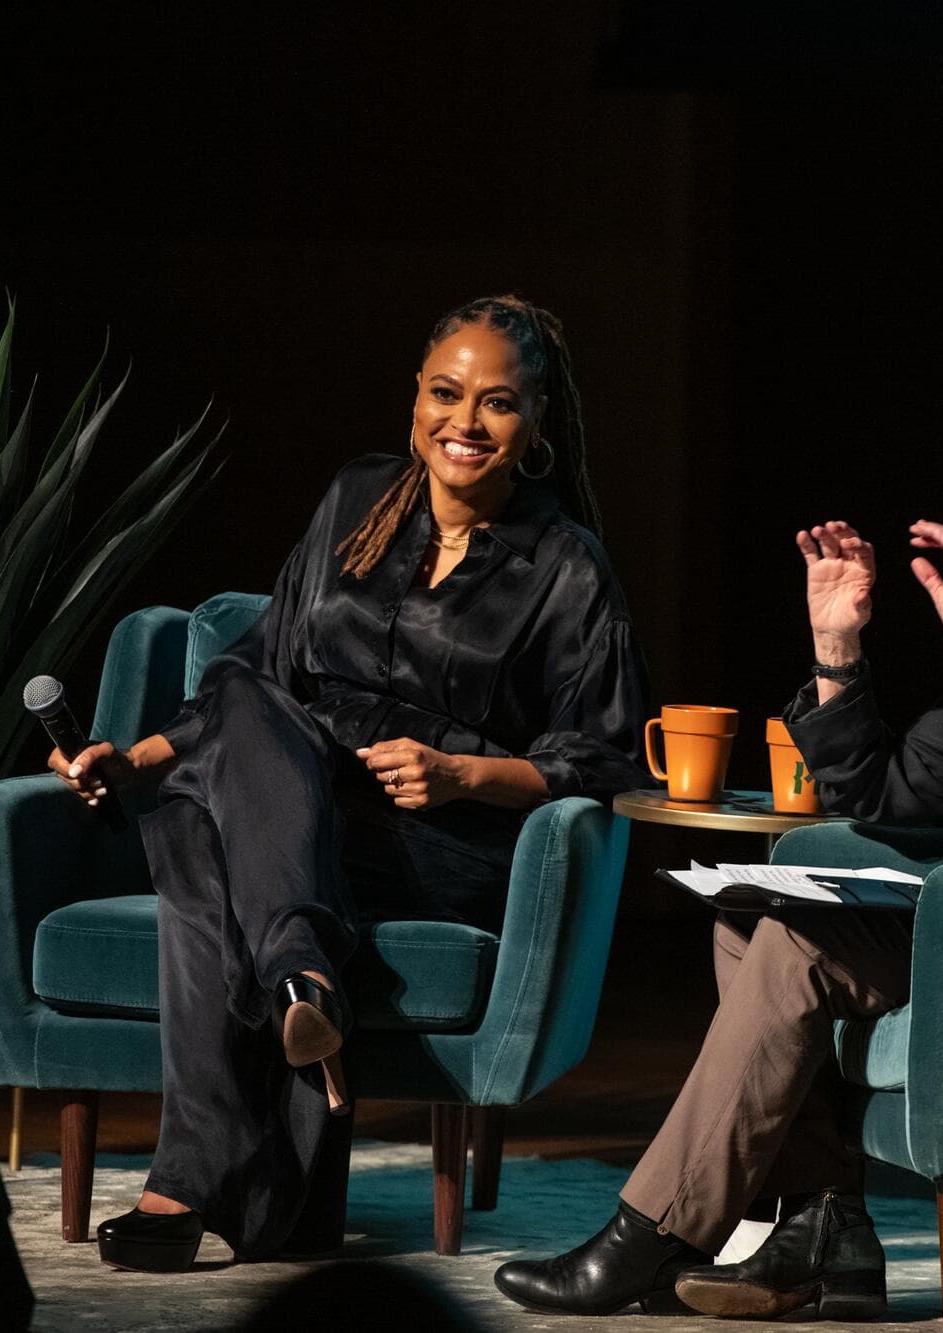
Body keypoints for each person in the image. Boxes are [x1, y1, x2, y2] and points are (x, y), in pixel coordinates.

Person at [494, 377, 943, 1319]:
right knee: (748, 920)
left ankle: (654, 1232)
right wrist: (835, 647)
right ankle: (825, 1228)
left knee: (799, 947)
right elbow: (884, 793)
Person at [49, 295, 649, 1272]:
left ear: (537, 422)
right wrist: (132, 758)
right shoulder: (356, 498)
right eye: (445, 393)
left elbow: (607, 757)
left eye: (497, 402)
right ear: (414, 398)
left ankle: (196, 1176)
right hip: (303, 804)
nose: (464, 421)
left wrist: (461, 773)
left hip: (438, 836)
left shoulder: (566, 566)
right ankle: (301, 977)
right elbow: (258, 670)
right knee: (232, 727)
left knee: (195, 832)